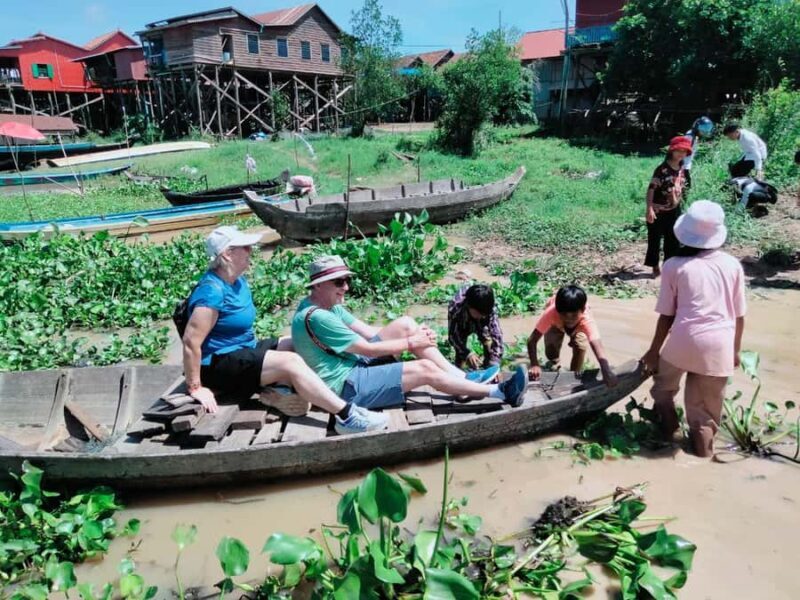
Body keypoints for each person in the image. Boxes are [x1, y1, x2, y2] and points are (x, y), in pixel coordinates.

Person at [182, 226, 388, 435]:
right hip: (216, 365)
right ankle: (347, 416)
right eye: (245, 247)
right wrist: (196, 387)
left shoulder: (236, 281)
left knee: (297, 342)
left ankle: (283, 391)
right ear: (227, 254)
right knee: (291, 362)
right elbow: (191, 342)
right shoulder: (211, 292)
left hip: (242, 349)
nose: (251, 251)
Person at [290, 255, 529, 410]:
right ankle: (501, 392)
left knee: (405, 323)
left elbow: (368, 331)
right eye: (339, 282)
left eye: (345, 281)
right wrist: (411, 342)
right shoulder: (319, 316)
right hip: (346, 387)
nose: (346, 287)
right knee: (424, 369)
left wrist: (415, 336)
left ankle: (462, 378)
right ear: (318, 285)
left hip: (353, 365)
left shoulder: (327, 305)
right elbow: (369, 349)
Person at [641, 201, 746, 458]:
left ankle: (672, 436)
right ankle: (702, 460)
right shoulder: (733, 265)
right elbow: (739, 316)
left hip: (683, 340)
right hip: (720, 343)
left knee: (663, 391)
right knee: (704, 417)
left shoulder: (674, 266)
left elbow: (667, 316)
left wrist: (653, 352)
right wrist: (735, 351)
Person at [527, 285, 618, 388]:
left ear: (583, 310)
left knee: (580, 345)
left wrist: (606, 369)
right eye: (564, 315)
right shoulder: (552, 313)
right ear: (558, 310)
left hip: (579, 325)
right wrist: (534, 364)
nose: (569, 319)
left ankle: (573, 375)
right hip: (555, 323)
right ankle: (555, 364)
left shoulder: (586, 319)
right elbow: (532, 340)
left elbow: (596, 344)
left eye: (573, 315)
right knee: (551, 349)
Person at [645, 135, 691, 277]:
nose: (681, 154)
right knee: (654, 239)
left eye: (684, 151)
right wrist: (649, 209)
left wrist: (682, 207)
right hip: (658, 210)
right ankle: (654, 266)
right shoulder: (662, 169)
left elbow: (685, 189)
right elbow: (651, 188)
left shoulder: (683, 170)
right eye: (679, 151)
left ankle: (669, 266)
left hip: (675, 210)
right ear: (672, 151)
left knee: (673, 240)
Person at [447, 284, 503, 371]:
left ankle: (487, 369)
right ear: (469, 306)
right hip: (462, 321)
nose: (482, 316)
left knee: (488, 343)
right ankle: (459, 373)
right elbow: (453, 336)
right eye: (480, 314)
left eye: (485, 314)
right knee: (460, 355)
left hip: (482, 321)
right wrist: (467, 354)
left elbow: (497, 335)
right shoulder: (456, 308)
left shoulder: (488, 307)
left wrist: (495, 364)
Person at [681, 116, 714, 193]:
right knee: (686, 187)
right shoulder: (689, 136)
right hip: (682, 165)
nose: (706, 131)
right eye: (703, 128)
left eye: (707, 128)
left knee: (687, 186)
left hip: (686, 164)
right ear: (697, 127)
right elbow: (682, 150)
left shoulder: (694, 135)